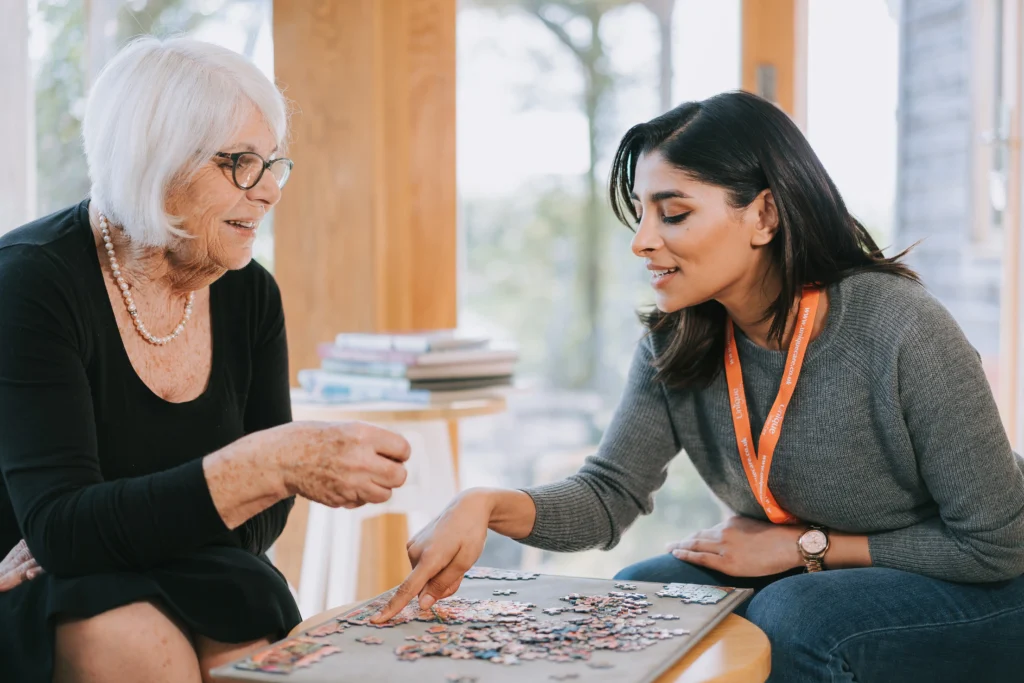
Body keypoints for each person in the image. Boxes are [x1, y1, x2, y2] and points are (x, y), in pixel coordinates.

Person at [373, 91, 1024, 681]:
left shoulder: (899, 328)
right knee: (642, 591)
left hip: (979, 582)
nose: (642, 242)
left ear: (764, 215)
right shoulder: (677, 340)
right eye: (639, 215)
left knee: (796, 615)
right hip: (813, 565)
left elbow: (997, 542)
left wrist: (805, 548)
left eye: (673, 213)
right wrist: (486, 504)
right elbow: (606, 496)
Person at [0, 37, 411, 683]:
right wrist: (264, 463)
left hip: (198, 565)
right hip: (42, 583)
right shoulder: (29, 281)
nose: (271, 188)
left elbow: (265, 516)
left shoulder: (250, 291)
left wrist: (117, 521)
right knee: (132, 643)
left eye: (273, 161)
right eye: (241, 162)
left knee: (243, 633)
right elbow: (60, 532)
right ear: (153, 160)